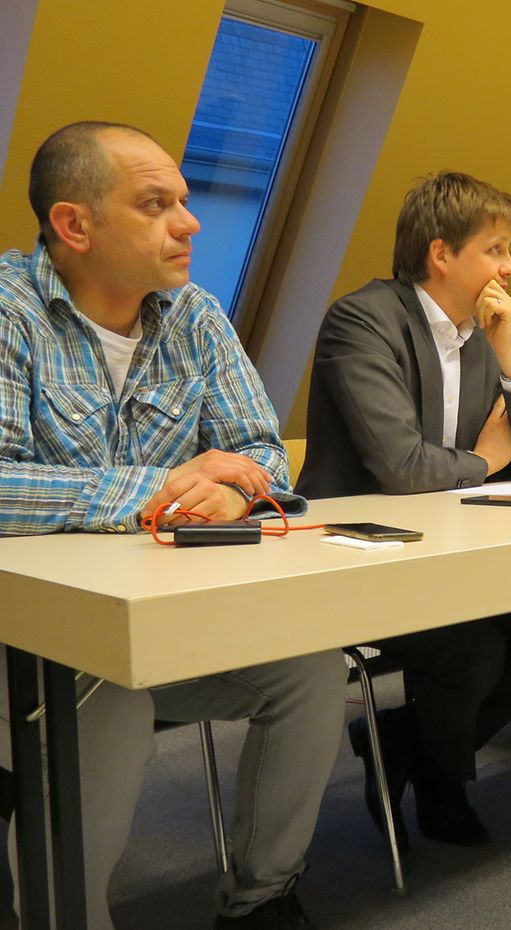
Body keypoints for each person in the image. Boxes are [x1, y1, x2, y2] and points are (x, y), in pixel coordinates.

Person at [0, 121, 346, 930]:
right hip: (26, 636)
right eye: (155, 204)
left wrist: (232, 496)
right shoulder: (10, 313)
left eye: (184, 201)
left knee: (309, 666)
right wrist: (161, 487)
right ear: (74, 225)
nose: (189, 223)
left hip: (148, 616)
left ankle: (262, 897)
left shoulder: (193, 313)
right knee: (106, 701)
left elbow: (262, 453)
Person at [297, 172, 511, 850]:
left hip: (451, 547)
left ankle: (408, 743)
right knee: (473, 647)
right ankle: (443, 781)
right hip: (360, 551)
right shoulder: (363, 320)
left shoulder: (480, 336)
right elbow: (402, 468)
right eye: (496, 250)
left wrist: (510, 356)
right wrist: (486, 461)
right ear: (441, 254)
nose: (510, 268)